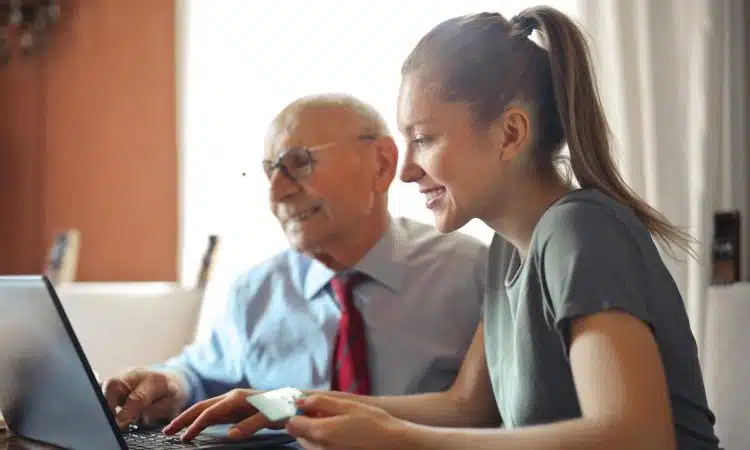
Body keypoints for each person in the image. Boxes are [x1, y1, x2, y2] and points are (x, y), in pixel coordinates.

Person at [162, 6, 721, 450]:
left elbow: (636, 438)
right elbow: (468, 406)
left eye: (425, 139)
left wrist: (398, 441)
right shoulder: (509, 246)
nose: (405, 170)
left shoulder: (579, 232)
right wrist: (283, 403)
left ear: (509, 135)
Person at [101, 93, 487, 430]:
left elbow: (487, 413)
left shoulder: (471, 273)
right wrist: (170, 384)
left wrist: (285, 405)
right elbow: (200, 375)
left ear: (382, 164)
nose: (277, 192)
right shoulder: (255, 291)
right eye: (271, 171)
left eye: (298, 163)